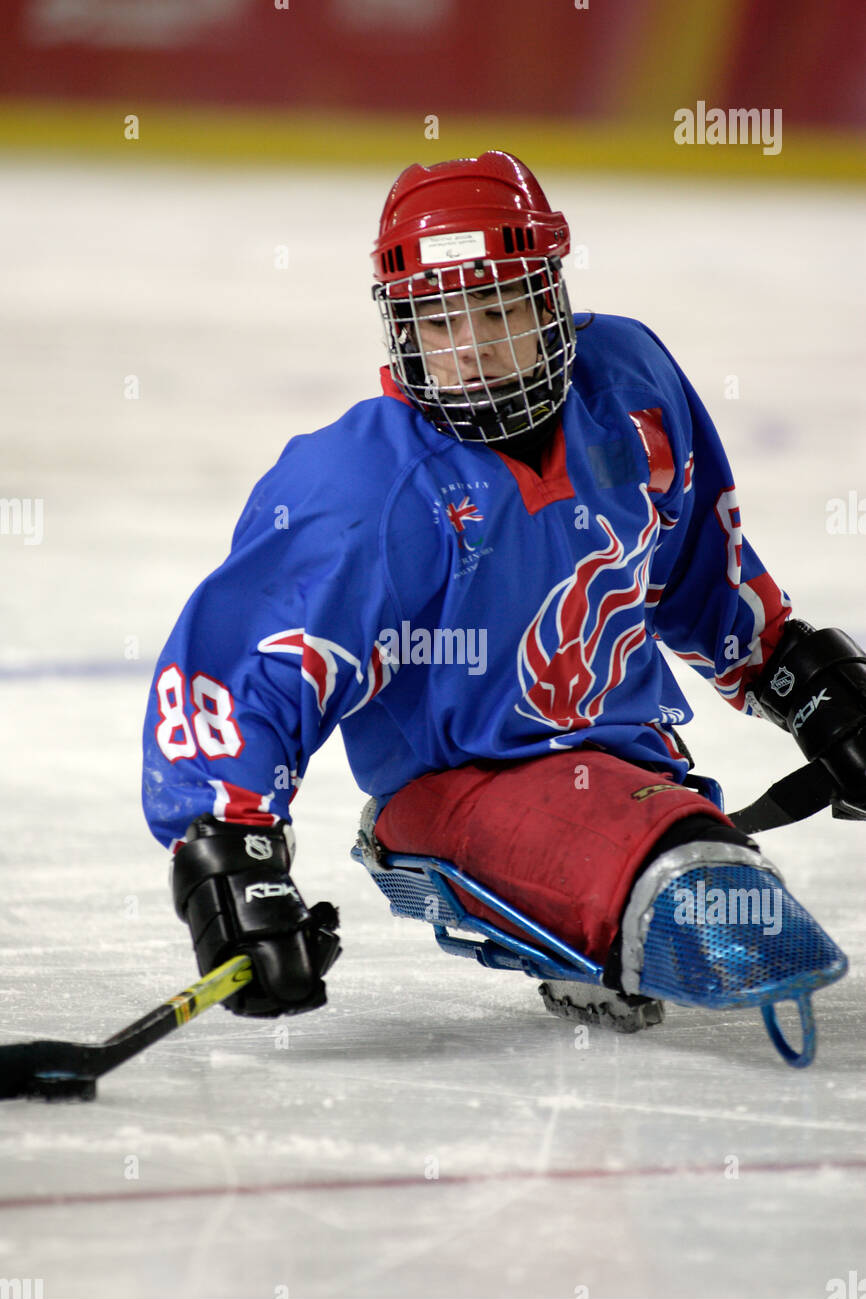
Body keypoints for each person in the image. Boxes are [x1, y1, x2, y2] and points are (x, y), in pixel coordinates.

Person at [142, 152, 862, 1037]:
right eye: (441, 322)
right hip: (464, 787)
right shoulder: (361, 485)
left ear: (552, 298)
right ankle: (616, 887)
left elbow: (697, 568)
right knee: (725, 915)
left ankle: (631, 872)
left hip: (633, 770)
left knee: (721, 901)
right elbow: (239, 681)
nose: (473, 351)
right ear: (401, 330)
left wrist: (808, 685)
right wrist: (233, 868)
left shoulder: (627, 384)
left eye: (499, 308)